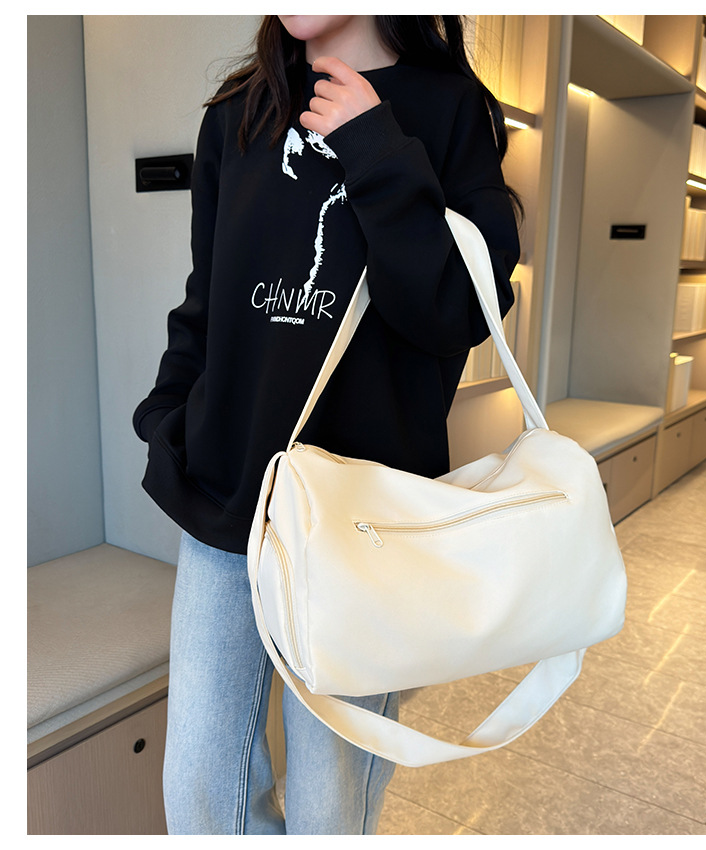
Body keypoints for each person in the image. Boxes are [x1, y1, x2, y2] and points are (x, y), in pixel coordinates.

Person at [133, 14, 520, 835]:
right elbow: (209, 300)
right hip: (228, 500)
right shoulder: (237, 114)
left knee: (327, 809)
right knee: (200, 795)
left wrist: (376, 147)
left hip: (364, 524)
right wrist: (168, 418)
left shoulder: (449, 111)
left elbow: (457, 311)